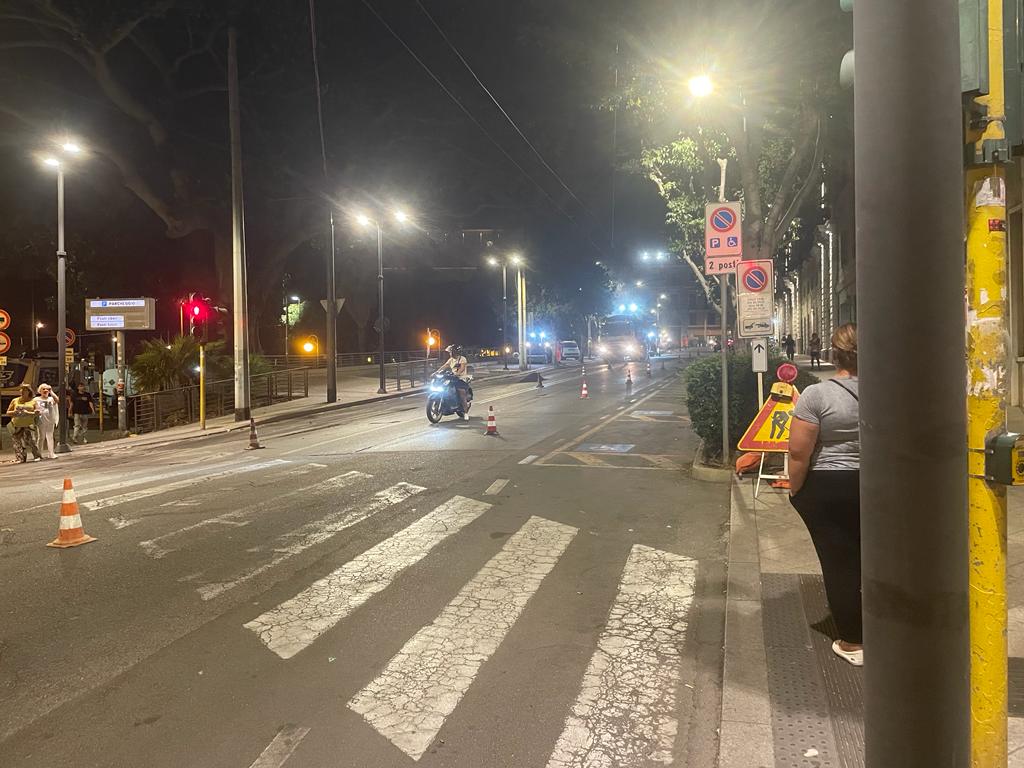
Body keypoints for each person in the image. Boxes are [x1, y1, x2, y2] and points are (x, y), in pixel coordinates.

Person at [787, 323, 862, 666]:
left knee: (839, 562)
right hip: (879, 485)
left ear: (833, 354)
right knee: (874, 559)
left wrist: (796, 490)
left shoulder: (816, 395)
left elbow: (799, 455)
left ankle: (852, 641)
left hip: (828, 485)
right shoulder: (892, 390)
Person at [6, 385, 43, 463]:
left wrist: (29, 413)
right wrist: (14, 412)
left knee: (31, 441)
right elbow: (8, 412)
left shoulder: (33, 401)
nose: (22, 392)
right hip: (16, 425)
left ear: (29, 392)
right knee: (17, 443)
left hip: (28, 424)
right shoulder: (15, 400)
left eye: (24, 390)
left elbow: (38, 412)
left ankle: (37, 456)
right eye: (21, 390)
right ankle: (21, 458)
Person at [436, 344, 471, 419]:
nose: (450, 353)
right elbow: (444, 366)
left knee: (461, 392)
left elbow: (462, 368)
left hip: (461, 378)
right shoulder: (450, 360)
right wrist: (436, 372)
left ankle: (465, 413)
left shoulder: (462, 359)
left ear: (455, 352)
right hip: (452, 378)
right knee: (444, 386)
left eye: (451, 352)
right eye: (449, 352)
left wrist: (457, 374)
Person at [34, 383, 60, 459]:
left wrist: (51, 391)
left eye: (47, 389)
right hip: (41, 420)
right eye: (43, 389)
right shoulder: (36, 399)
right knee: (41, 437)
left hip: (50, 420)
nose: (45, 391)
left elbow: (57, 400)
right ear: (40, 391)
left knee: (50, 437)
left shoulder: (51, 399)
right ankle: (39, 454)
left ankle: (51, 453)